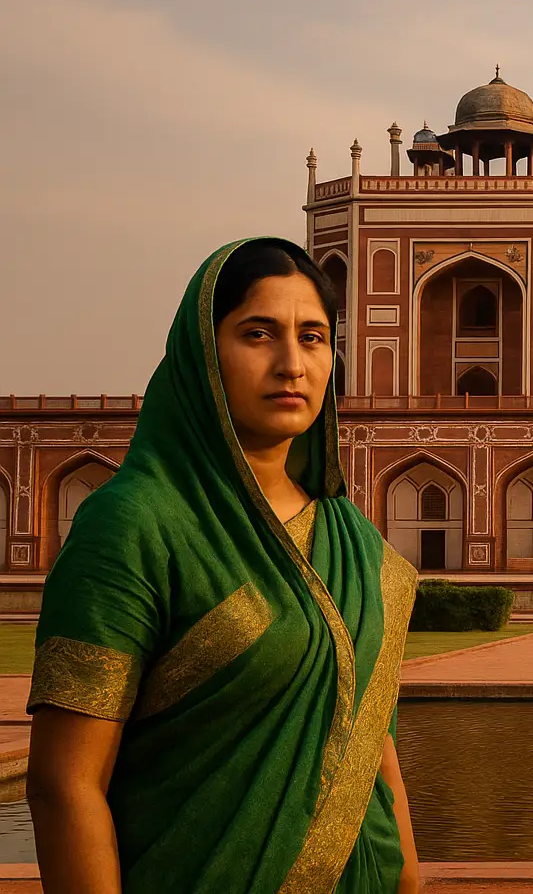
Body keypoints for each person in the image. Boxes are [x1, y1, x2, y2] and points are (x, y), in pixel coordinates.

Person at [25, 237, 421, 893]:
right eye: (258, 334)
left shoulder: (353, 538)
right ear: (202, 352)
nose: (291, 364)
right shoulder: (134, 525)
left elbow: (371, 749)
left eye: (313, 337)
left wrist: (409, 881)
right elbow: (64, 785)